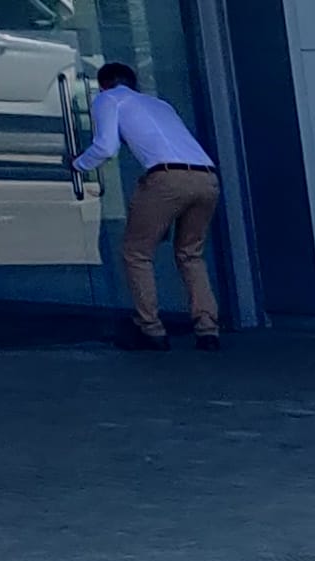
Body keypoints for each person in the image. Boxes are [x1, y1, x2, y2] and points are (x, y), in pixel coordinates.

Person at [71, 62, 222, 351]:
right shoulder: (161, 105)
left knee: (137, 252)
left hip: (165, 178)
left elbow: (106, 147)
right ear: (134, 83)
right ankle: (208, 329)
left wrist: (78, 164)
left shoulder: (108, 99)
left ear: (103, 85)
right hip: (206, 177)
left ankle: (150, 328)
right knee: (190, 254)